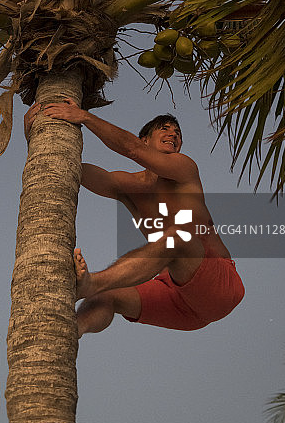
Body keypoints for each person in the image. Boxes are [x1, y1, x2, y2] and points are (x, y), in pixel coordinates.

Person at [24, 98, 244, 338]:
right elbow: (67, 166)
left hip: (220, 285)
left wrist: (83, 116)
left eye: (177, 132)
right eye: (165, 128)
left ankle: (93, 283)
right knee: (105, 297)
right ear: (146, 139)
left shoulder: (184, 169)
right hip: (176, 297)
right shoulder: (128, 186)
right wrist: (39, 137)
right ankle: (66, 335)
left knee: (177, 238)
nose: (173, 134)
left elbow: (132, 150)